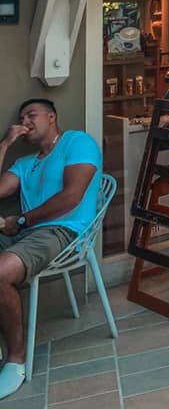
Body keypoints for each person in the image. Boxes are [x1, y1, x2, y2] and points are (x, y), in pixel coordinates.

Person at [0, 99, 101, 399]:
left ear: (52, 116)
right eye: (21, 118)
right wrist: (6, 143)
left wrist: (20, 219)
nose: (26, 121)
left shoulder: (77, 142)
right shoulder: (26, 163)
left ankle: (16, 361)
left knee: (1, 272)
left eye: (32, 115)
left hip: (63, 231)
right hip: (28, 232)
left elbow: (71, 197)